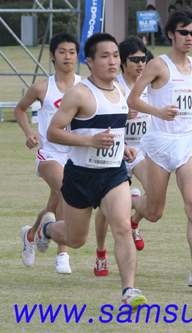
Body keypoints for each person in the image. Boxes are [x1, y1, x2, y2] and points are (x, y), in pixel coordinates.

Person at [35, 32, 147, 309]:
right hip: (81, 176)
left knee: (121, 226)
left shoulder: (121, 91)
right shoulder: (80, 93)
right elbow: (53, 132)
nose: (112, 61)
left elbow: (113, 130)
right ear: (90, 61)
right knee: (75, 239)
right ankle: (45, 230)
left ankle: (129, 290)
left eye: (115, 56)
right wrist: (90, 142)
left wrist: (121, 148)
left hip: (113, 174)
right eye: (104, 56)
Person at [128, 8, 192, 289]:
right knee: (154, 213)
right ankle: (133, 203)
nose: (190, 38)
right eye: (184, 33)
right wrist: (158, 111)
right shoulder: (158, 66)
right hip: (159, 144)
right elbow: (132, 99)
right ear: (170, 35)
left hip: (187, 143)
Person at [15, 32, 81, 274]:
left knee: (54, 205)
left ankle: (31, 234)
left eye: (72, 52)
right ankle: (62, 254)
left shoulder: (86, 86)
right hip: (50, 152)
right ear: (52, 56)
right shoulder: (42, 87)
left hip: (77, 154)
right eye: (62, 51)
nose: (68, 56)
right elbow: (20, 110)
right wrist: (28, 133)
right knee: (67, 191)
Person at [93, 36, 151, 277]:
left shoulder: (150, 83)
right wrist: (122, 117)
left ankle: (134, 219)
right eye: (134, 59)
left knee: (156, 195)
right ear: (123, 62)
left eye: (143, 59)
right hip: (114, 152)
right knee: (105, 211)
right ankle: (100, 252)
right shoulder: (114, 86)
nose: (140, 64)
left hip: (140, 152)